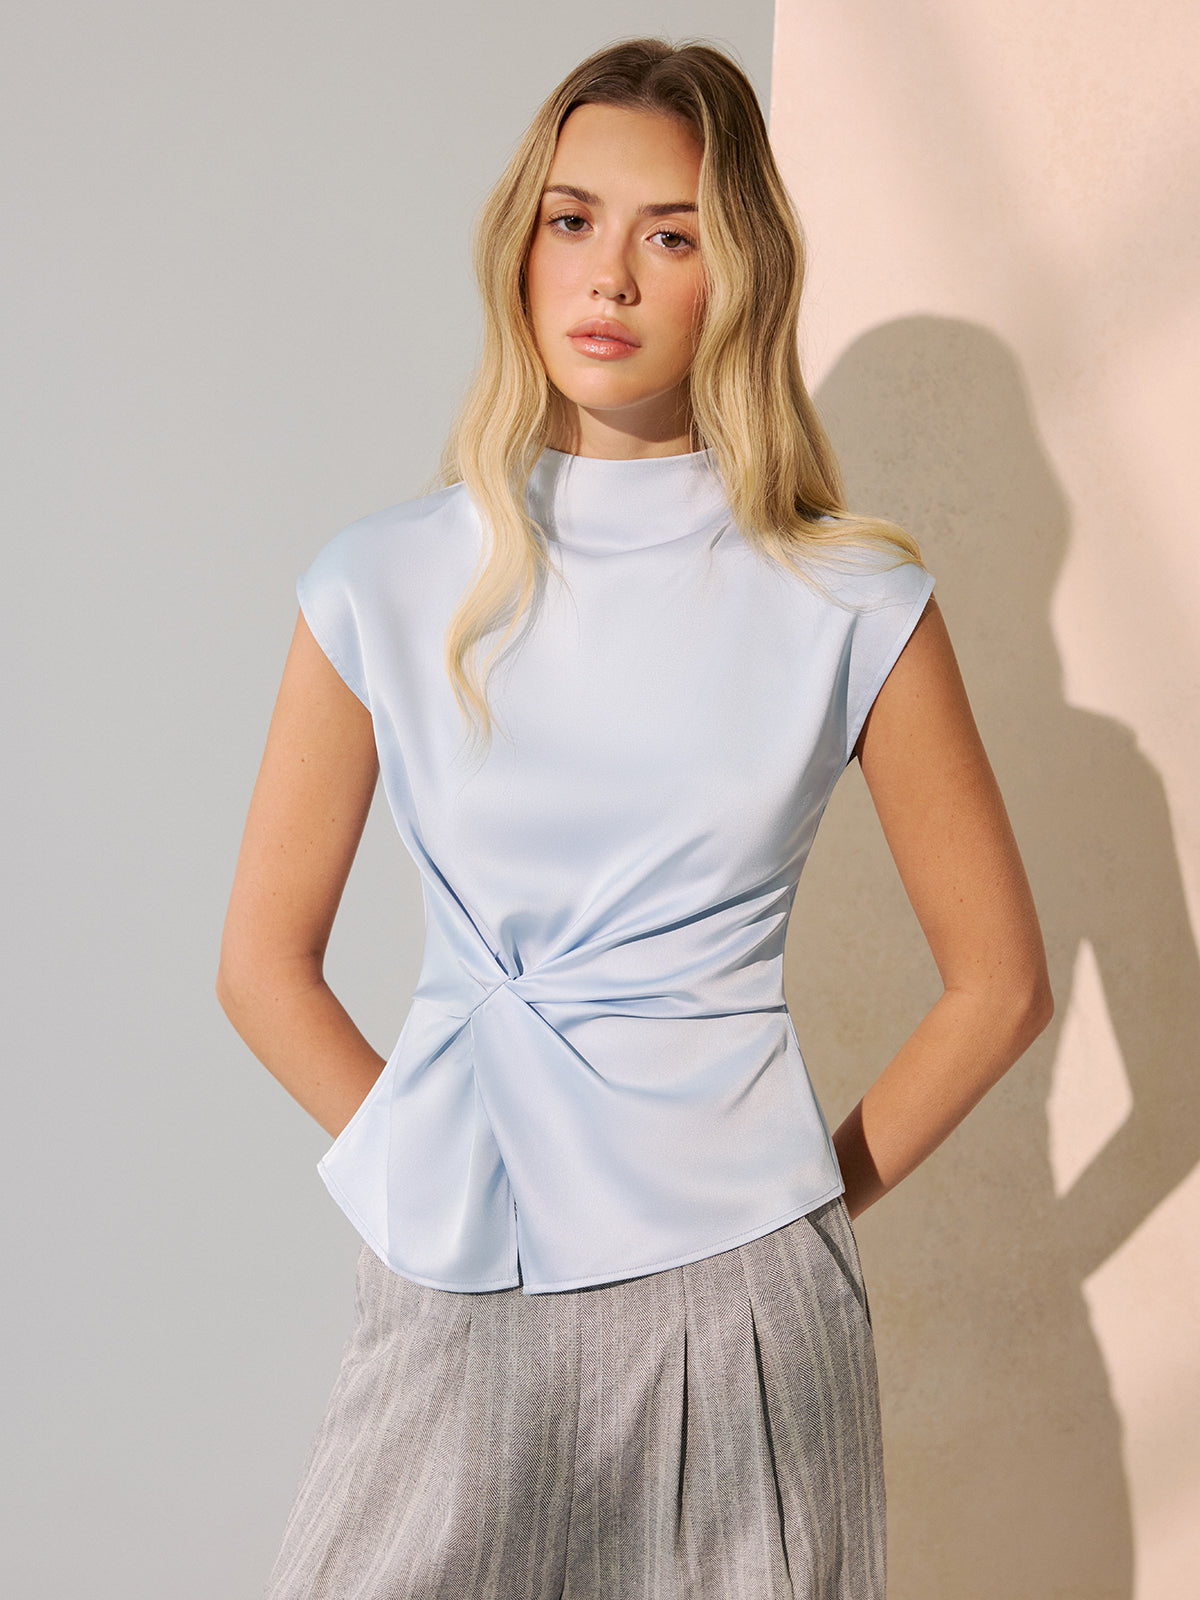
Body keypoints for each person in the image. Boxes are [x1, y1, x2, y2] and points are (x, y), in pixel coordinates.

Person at [217, 35, 1053, 1600]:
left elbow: (1001, 985)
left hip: (743, 1303)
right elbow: (261, 961)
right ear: (520, 248)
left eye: (672, 234)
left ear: (738, 274)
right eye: (573, 220)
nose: (609, 275)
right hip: (461, 1267)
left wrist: (789, 1206)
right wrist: (421, 1157)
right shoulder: (382, 577)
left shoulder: (849, 597)